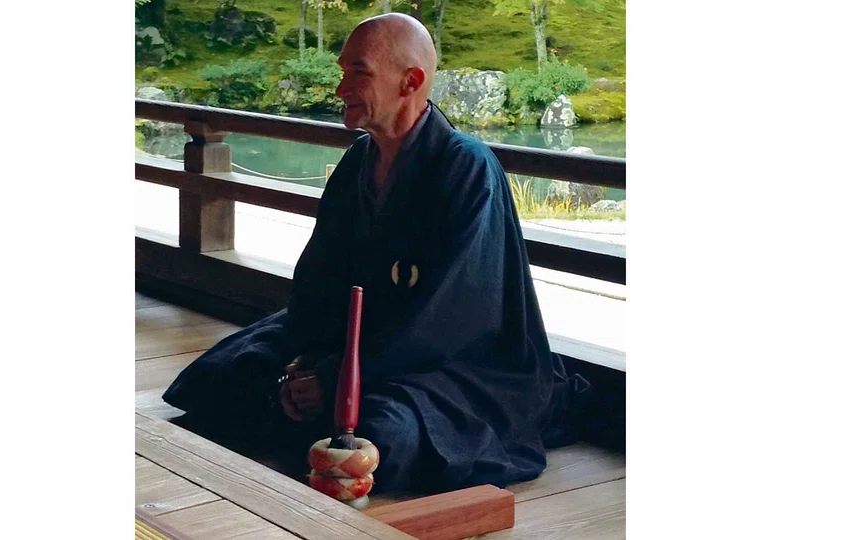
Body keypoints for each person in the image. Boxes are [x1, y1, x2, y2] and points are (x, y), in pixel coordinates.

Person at [162, 13, 623, 494]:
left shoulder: (466, 168)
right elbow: (318, 280)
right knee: (233, 372)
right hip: (352, 337)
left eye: (357, 72)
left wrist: (336, 375)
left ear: (411, 81)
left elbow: (454, 318)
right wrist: (305, 360)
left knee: (382, 431)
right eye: (343, 71)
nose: (341, 88)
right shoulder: (357, 161)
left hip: (451, 360)